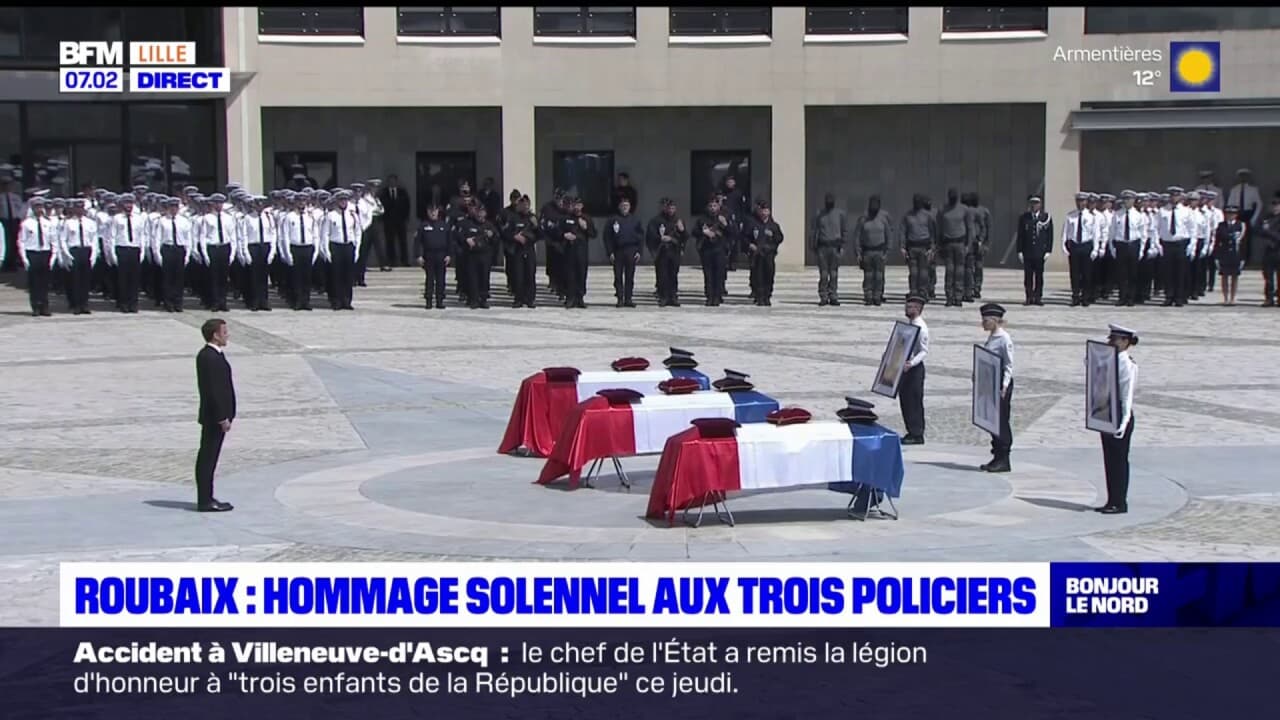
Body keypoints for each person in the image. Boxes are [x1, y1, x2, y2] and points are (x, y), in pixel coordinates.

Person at [1096, 324, 1138, 515]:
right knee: (1109, 459)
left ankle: (1120, 502)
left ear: (1126, 342)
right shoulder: (1110, 359)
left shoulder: (1126, 364)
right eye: (1110, 339)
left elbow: (1126, 396)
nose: (1111, 342)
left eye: (1115, 339)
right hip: (1108, 411)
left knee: (1119, 460)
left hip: (1120, 413)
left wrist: (1124, 422)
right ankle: (1111, 499)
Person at [195, 318, 236, 513]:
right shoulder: (209, 357)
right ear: (215, 335)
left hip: (217, 416)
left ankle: (208, 496)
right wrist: (222, 417)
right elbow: (213, 390)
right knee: (207, 458)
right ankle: (205, 499)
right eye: (224, 332)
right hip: (214, 418)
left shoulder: (214, 355)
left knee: (210, 457)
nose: (227, 335)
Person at [980, 303, 1014, 473]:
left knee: (1001, 420)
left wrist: (1004, 386)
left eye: (986, 320)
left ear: (994, 320)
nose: (983, 323)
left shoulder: (1004, 339)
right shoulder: (992, 337)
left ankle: (1004, 458)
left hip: (1001, 383)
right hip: (990, 382)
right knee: (992, 420)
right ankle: (996, 456)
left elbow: (1008, 364)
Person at [645, 197, 688, 307]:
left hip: (674, 251)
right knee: (662, 275)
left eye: (673, 208)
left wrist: (682, 230)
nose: (671, 210)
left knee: (673, 275)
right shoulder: (656, 221)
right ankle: (663, 297)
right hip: (662, 252)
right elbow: (650, 236)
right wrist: (660, 239)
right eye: (669, 208)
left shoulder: (678, 221)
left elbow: (685, 237)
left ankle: (673, 297)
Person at [899, 295, 929, 445]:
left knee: (914, 401)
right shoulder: (909, 324)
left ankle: (917, 433)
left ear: (917, 309)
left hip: (914, 369)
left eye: (910, 307)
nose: (906, 309)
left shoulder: (921, 328)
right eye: (906, 306)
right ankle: (910, 430)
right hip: (906, 368)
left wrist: (911, 363)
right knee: (906, 400)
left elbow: (923, 351)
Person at [18, 197, 56, 316]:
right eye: (37, 207)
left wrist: (53, 256)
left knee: (45, 282)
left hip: (45, 252)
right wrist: (24, 258)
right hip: (32, 253)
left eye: (41, 207)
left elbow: (53, 240)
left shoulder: (48, 223)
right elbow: (21, 241)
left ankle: (45, 306)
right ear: (32, 208)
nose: (39, 209)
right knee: (34, 282)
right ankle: (35, 306)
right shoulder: (26, 223)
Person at [324, 190, 361, 310]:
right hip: (336, 246)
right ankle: (337, 301)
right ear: (337, 201)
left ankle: (347, 301)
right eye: (341, 200)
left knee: (348, 275)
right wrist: (326, 250)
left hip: (348, 245)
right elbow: (325, 234)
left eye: (345, 200)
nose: (343, 202)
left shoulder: (352, 215)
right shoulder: (330, 215)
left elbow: (357, 232)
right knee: (336, 275)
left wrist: (356, 248)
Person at [238, 196, 276, 312]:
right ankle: (254, 301)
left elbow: (273, 233)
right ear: (253, 205)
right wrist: (245, 252)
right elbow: (243, 236)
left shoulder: (268, 217)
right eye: (257, 204)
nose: (259, 206)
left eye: (261, 204)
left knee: (264, 276)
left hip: (265, 245)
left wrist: (272, 250)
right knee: (254, 276)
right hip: (253, 246)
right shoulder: (248, 218)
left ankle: (264, 301)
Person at [604, 196, 644, 308]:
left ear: (630, 207)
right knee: (618, 276)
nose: (625, 207)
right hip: (618, 251)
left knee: (630, 276)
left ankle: (628, 298)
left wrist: (639, 251)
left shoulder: (635, 220)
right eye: (623, 206)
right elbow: (607, 237)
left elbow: (641, 237)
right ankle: (620, 298)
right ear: (619, 207)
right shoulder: (613, 220)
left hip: (631, 250)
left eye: (627, 205)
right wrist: (610, 252)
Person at [854, 195, 893, 307]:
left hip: (880, 251)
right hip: (867, 252)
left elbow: (889, 235)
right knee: (868, 276)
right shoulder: (863, 219)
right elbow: (857, 236)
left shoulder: (883, 219)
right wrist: (858, 252)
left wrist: (887, 251)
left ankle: (877, 296)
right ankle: (868, 296)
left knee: (879, 276)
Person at [743, 198, 783, 306]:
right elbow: (745, 237)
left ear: (769, 212)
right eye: (762, 210)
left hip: (769, 255)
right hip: (757, 255)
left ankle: (767, 296)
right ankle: (760, 296)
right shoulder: (753, 224)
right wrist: (750, 245)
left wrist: (773, 238)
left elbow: (779, 238)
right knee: (758, 276)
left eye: (766, 210)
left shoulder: (773, 226)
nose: (764, 212)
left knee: (769, 275)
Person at [1158, 186, 1192, 307]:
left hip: (1180, 243)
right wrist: (1158, 244)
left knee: (1180, 272)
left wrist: (1191, 245)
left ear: (1180, 197)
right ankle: (1169, 296)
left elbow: (1191, 228)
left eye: (1177, 195)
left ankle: (1179, 297)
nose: (1174, 198)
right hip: (1167, 243)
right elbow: (1158, 228)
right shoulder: (1162, 211)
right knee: (1168, 272)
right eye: (1172, 195)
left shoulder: (1186, 211)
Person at [1062, 192, 1098, 306]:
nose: (1080, 203)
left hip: (1086, 245)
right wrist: (1063, 247)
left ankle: (1085, 297)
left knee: (1087, 274)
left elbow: (1095, 234)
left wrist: (1095, 249)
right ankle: (1075, 296)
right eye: (1078, 201)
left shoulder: (1091, 217)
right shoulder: (1070, 216)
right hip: (1074, 245)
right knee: (1075, 274)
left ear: (1086, 202)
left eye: (1082, 201)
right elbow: (1065, 233)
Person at [503, 194, 539, 309]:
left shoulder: (533, 218)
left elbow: (541, 235)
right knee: (518, 275)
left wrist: (536, 226)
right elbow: (505, 233)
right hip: (517, 250)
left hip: (529, 249)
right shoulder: (513, 217)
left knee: (530, 274)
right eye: (522, 204)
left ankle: (530, 299)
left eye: (527, 204)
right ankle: (518, 299)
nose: (525, 206)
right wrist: (514, 237)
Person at [812, 192, 848, 307]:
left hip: (835, 247)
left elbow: (844, 231)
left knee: (834, 274)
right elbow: (814, 231)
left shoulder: (840, 214)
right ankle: (823, 296)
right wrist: (814, 247)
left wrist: (842, 246)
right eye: (828, 200)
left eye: (831, 200)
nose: (829, 202)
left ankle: (833, 296)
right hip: (822, 247)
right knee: (823, 274)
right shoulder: (819, 215)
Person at [1015, 194, 1052, 306]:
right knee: (1028, 277)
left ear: (1040, 204)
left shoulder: (1045, 217)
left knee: (1039, 276)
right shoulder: (1024, 218)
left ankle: (1038, 297)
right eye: (1032, 203)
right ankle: (1029, 297)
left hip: (1040, 252)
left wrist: (1048, 251)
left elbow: (1049, 235)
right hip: (1028, 252)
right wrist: (1019, 251)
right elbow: (1020, 235)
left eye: (1036, 203)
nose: (1034, 205)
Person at [937, 188, 972, 306]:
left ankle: (958, 296)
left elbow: (969, 228)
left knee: (959, 272)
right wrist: (938, 245)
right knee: (950, 271)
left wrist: (968, 244)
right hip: (947, 244)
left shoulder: (964, 210)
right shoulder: (942, 210)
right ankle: (949, 297)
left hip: (960, 243)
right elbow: (939, 228)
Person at [1109, 190, 1144, 307]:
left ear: (1134, 201)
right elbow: (1112, 232)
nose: (1127, 201)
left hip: (1133, 245)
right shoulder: (1117, 214)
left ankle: (1131, 298)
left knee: (1133, 274)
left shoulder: (1139, 215)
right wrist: (1112, 248)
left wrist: (1141, 250)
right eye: (1125, 199)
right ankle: (1122, 297)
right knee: (1121, 274)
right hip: (1121, 245)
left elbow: (1143, 234)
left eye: (1129, 199)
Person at [414, 204, 452, 309]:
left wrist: (449, 254)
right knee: (429, 279)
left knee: (441, 280)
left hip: (441, 255)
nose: (433, 213)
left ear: (438, 212)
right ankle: (429, 300)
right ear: (427, 212)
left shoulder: (444, 225)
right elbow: (417, 242)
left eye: (435, 211)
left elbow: (450, 241)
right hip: (429, 255)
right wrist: (418, 256)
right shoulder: (423, 226)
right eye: (431, 211)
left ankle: (440, 301)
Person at [901, 194, 937, 301]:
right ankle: (913, 292)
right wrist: (902, 247)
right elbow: (903, 232)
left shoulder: (928, 216)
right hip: (912, 247)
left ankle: (923, 292)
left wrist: (932, 248)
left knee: (923, 272)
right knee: (914, 272)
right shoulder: (907, 216)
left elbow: (933, 232)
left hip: (924, 247)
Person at [694, 195, 728, 306]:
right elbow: (694, 232)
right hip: (706, 250)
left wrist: (726, 225)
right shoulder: (702, 219)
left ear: (719, 206)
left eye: (715, 205)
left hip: (719, 249)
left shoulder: (723, 218)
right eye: (711, 206)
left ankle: (717, 296)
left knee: (719, 274)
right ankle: (709, 296)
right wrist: (703, 233)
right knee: (708, 275)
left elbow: (734, 233)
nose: (713, 208)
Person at [1215, 205, 1247, 306]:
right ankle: (1225, 298)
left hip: (1235, 253)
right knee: (1224, 276)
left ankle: (1232, 298)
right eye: (1228, 214)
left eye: (1233, 214)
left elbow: (1243, 242)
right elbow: (1218, 240)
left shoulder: (1241, 225)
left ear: (1236, 215)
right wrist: (1216, 255)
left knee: (1234, 276)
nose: (1230, 216)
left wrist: (1243, 257)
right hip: (1224, 253)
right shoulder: (1221, 225)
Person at [963, 192, 992, 301]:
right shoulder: (966, 211)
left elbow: (987, 228)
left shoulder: (984, 211)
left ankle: (976, 288)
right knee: (970, 267)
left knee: (977, 267)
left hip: (978, 242)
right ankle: (971, 288)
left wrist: (985, 242)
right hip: (971, 242)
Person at [379, 174, 409, 269]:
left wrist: (405, 217)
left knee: (402, 241)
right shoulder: (383, 193)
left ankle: (404, 261)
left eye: (394, 181)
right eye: (390, 181)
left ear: (396, 182)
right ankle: (391, 261)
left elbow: (407, 205)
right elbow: (381, 206)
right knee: (390, 241)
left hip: (400, 221)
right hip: (388, 221)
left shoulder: (402, 192)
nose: (392, 183)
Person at [1258, 192, 1280, 307]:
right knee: (1268, 276)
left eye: (1277, 205)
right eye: (1273, 205)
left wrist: (1268, 232)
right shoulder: (1266, 217)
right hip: (1269, 250)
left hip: (1278, 249)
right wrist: (1265, 232)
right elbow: (1258, 230)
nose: (1275, 207)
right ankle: (1269, 298)